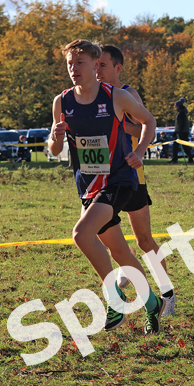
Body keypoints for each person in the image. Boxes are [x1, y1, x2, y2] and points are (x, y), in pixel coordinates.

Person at [47, 40, 163, 334]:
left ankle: (114, 298)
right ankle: (152, 304)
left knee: (81, 233)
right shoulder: (62, 101)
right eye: (70, 64)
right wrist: (56, 137)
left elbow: (149, 121)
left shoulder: (116, 96)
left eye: (80, 63)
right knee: (121, 253)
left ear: (94, 63)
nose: (74, 69)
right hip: (88, 185)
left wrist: (140, 152)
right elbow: (54, 149)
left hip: (119, 179)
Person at [97, 44, 176, 316]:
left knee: (144, 240)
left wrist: (136, 147)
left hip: (131, 177)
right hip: (103, 180)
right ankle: (125, 265)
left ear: (117, 68)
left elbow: (147, 127)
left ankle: (167, 294)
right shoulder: (91, 96)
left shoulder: (127, 94)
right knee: (106, 237)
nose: (97, 71)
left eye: (103, 65)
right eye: (95, 65)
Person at [169, 98, 193, 164]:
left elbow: (180, 124)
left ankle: (175, 159)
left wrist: (177, 132)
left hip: (181, 132)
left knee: (176, 146)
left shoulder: (181, 113)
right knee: (185, 146)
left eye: (175, 106)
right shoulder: (182, 112)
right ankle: (190, 159)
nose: (175, 107)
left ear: (178, 106)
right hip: (184, 131)